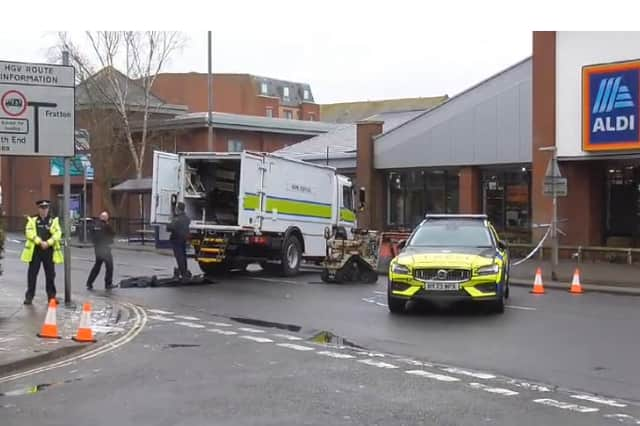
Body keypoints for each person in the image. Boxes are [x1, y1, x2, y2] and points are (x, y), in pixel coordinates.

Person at [20, 200, 63, 305]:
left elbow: (58, 233)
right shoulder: (33, 220)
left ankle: (51, 297)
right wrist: (39, 242)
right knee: (32, 275)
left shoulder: (53, 221)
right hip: (36, 251)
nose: (44, 210)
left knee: (50, 275)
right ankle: (29, 297)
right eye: (42, 208)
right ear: (38, 209)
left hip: (49, 251)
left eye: (46, 208)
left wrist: (48, 242)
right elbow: (29, 232)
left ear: (48, 209)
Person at [86, 211, 115, 290]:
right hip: (105, 248)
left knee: (97, 266)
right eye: (106, 217)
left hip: (97, 248)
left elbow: (91, 235)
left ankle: (89, 283)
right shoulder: (106, 225)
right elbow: (112, 233)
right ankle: (108, 284)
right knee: (109, 266)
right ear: (106, 218)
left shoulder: (95, 225)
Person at [167, 201, 191, 281]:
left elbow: (169, 228)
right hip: (183, 239)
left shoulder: (177, 219)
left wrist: (170, 220)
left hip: (176, 239)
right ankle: (184, 271)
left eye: (177, 208)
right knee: (183, 255)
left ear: (178, 209)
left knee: (179, 256)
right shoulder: (187, 218)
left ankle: (183, 272)